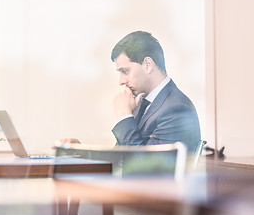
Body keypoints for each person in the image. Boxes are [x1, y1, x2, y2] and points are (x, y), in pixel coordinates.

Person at [58, 31, 201, 154]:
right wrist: (81, 152)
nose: (121, 81)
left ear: (147, 64)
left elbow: (147, 171)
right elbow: (119, 160)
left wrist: (124, 116)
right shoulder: (142, 103)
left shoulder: (176, 109)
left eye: (125, 71)